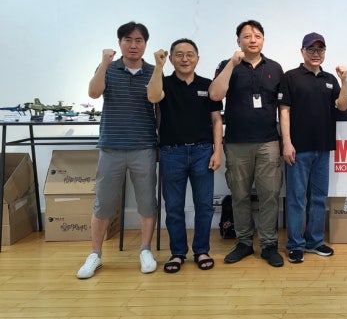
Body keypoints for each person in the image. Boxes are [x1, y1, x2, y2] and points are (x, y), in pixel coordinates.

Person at [77, 21, 159, 279]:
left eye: (138, 40)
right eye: (128, 40)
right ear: (120, 42)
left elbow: (156, 99)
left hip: (143, 147)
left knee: (147, 201)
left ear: (145, 44)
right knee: (103, 203)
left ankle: (145, 250)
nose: (133, 45)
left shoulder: (153, 71)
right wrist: (104, 62)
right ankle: (95, 254)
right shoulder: (108, 69)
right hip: (111, 146)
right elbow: (93, 93)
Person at [208, 20, 285, 267]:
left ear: (263, 40)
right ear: (238, 41)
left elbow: (283, 108)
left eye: (257, 35)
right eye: (247, 36)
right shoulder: (227, 65)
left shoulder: (275, 68)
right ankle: (243, 242)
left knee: (269, 195)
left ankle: (269, 244)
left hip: (268, 142)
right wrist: (232, 64)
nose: (253, 40)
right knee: (240, 195)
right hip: (237, 142)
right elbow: (215, 95)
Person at [147, 38, 224, 273]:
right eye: (179, 54)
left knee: (204, 205)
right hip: (172, 152)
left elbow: (216, 120)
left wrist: (217, 151)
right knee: (173, 207)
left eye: (190, 54)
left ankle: (201, 250)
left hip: (203, 151)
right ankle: (177, 252)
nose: (185, 59)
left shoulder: (208, 85)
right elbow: (152, 97)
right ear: (171, 59)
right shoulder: (163, 83)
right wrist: (158, 67)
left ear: (197, 58)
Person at [279, 32, 347, 264]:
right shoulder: (291, 77)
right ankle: (295, 244)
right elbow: (284, 111)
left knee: (318, 197)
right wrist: (287, 142)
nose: (316, 53)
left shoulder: (330, 79)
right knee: (297, 198)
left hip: (323, 147)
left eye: (320, 49)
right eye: (311, 49)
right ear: (302, 51)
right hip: (298, 149)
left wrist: (344, 80)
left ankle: (315, 241)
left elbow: (342, 106)